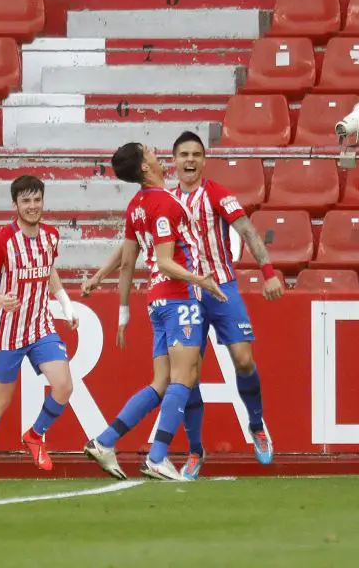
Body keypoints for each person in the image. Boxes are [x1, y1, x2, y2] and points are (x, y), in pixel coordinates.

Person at [84, 131, 283, 480]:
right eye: (182, 154)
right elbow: (139, 250)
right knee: (186, 376)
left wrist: (268, 272)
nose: (189, 160)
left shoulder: (213, 194)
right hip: (184, 291)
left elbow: (248, 231)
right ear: (172, 162)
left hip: (217, 286)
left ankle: (256, 424)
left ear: (204, 160)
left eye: (196, 154)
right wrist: (104, 275)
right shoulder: (163, 200)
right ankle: (190, 451)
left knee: (241, 360)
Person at [83, 142, 226, 482]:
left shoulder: (137, 206)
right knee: (185, 378)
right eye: (148, 152)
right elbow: (164, 261)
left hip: (156, 301)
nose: (155, 154)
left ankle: (105, 441)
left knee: (162, 382)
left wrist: (116, 301)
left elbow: (128, 259)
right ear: (145, 167)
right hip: (179, 297)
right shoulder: (165, 203)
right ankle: (158, 457)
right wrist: (201, 281)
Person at [0, 175, 79, 481]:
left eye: (37, 200)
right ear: (15, 204)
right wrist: (0, 299)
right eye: (26, 201)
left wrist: (66, 306)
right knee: (0, 401)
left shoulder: (51, 236)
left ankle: (35, 435)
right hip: (8, 332)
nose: (33, 206)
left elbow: (50, 272)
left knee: (64, 385)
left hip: (41, 325)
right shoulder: (1, 240)